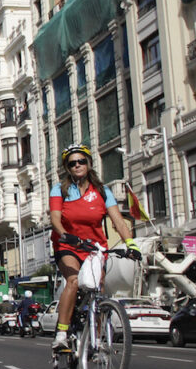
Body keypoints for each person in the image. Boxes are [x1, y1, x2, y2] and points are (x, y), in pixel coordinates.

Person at [50, 144, 140, 350]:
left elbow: (118, 220)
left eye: (81, 161)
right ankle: (62, 334)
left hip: (94, 248)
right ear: (67, 168)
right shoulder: (60, 189)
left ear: (89, 164)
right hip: (68, 244)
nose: (77, 166)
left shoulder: (102, 191)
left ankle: (97, 341)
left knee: (97, 293)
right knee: (72, 281)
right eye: (72, 164)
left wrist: (131, 244)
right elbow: (55, 218)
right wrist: (65, 236)